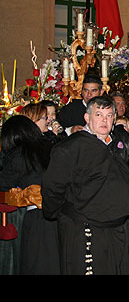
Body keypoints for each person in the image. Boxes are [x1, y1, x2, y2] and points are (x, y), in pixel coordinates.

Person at [42, 95, 129, 275]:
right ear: (87, 118)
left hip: (115, 229)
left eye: (109, 116)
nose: (104, 120)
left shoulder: (116, 144)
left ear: (115, 119)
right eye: (98, 115)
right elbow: (53, 187)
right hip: (85, 228)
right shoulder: (71, 147)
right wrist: (64, 214)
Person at [0, 115, 60, 274]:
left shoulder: (18, 154)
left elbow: (3, 185)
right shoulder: (52, 146)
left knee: (36, 265)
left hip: (38, 218)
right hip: (62, 215)